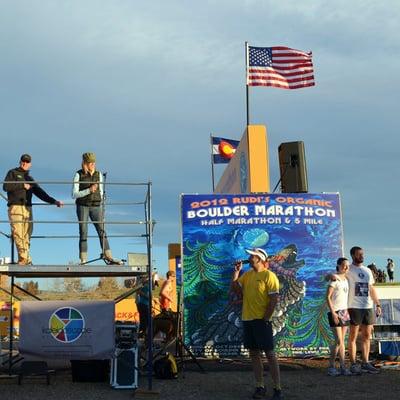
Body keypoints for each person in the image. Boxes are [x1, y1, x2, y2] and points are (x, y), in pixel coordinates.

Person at [232, 248, 282, 400]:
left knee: (270, 354)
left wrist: (266, 318)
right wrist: (236, 272)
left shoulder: (269, 275)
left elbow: (274, 299)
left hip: (262, 320)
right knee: (254, 354)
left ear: (259, 258)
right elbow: (235, 288)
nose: (248, 257)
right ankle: (260, 386)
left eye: (251, 255)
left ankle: (277, 388)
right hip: (248, 319)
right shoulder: (247, 275)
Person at [3, 154, 63, 265]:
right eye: (23, 161)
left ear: (30, 164)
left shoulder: (30, 179)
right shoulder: (12, 173)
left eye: (27, 162)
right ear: (20, 161)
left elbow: (40, 193)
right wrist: (22, 185)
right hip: (16, 207)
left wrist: (54, 201)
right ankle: (23, 258)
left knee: (27, 234)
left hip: (28, 208)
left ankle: (26, 257)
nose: (24, 163)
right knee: (18, 233)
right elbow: (6, 187)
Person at [72, 152, 122, 265]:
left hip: (96, 206)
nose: (93, 164)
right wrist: (88, 190)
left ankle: (108, 256)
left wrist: (102, 204)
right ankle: (83, 259)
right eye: (90, 163)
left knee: (102, 230)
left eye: (94, 162)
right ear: (85, 163)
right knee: (83, 231)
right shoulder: (78, 175)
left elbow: (101, 190)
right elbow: (74, 194)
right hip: (82, 206)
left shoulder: (99, 174)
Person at [347, 246, 382, 374]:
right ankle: (353, 364)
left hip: (368, 307)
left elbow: (371, 288)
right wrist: (331, 276)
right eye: (359, 254)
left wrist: (377, 304)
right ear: (353, 255)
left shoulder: (367, 270)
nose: (362, 256)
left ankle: (365, 362)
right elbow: (338, 276)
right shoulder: (348, 269)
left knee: (367, 336)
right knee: (353, 337)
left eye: (362, 254)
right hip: (354, 307)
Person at [326, 257, 351, 376]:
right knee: (338, 341)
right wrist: (333, 313)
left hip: (344, 312)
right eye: (344, 265)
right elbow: (328, 297)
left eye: (348, 265)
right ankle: (331, 366)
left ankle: (342, 366)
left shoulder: (346, 279)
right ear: (339, 265)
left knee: (342, 342)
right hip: (335, 311)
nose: (346, 267)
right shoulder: (334, 279)